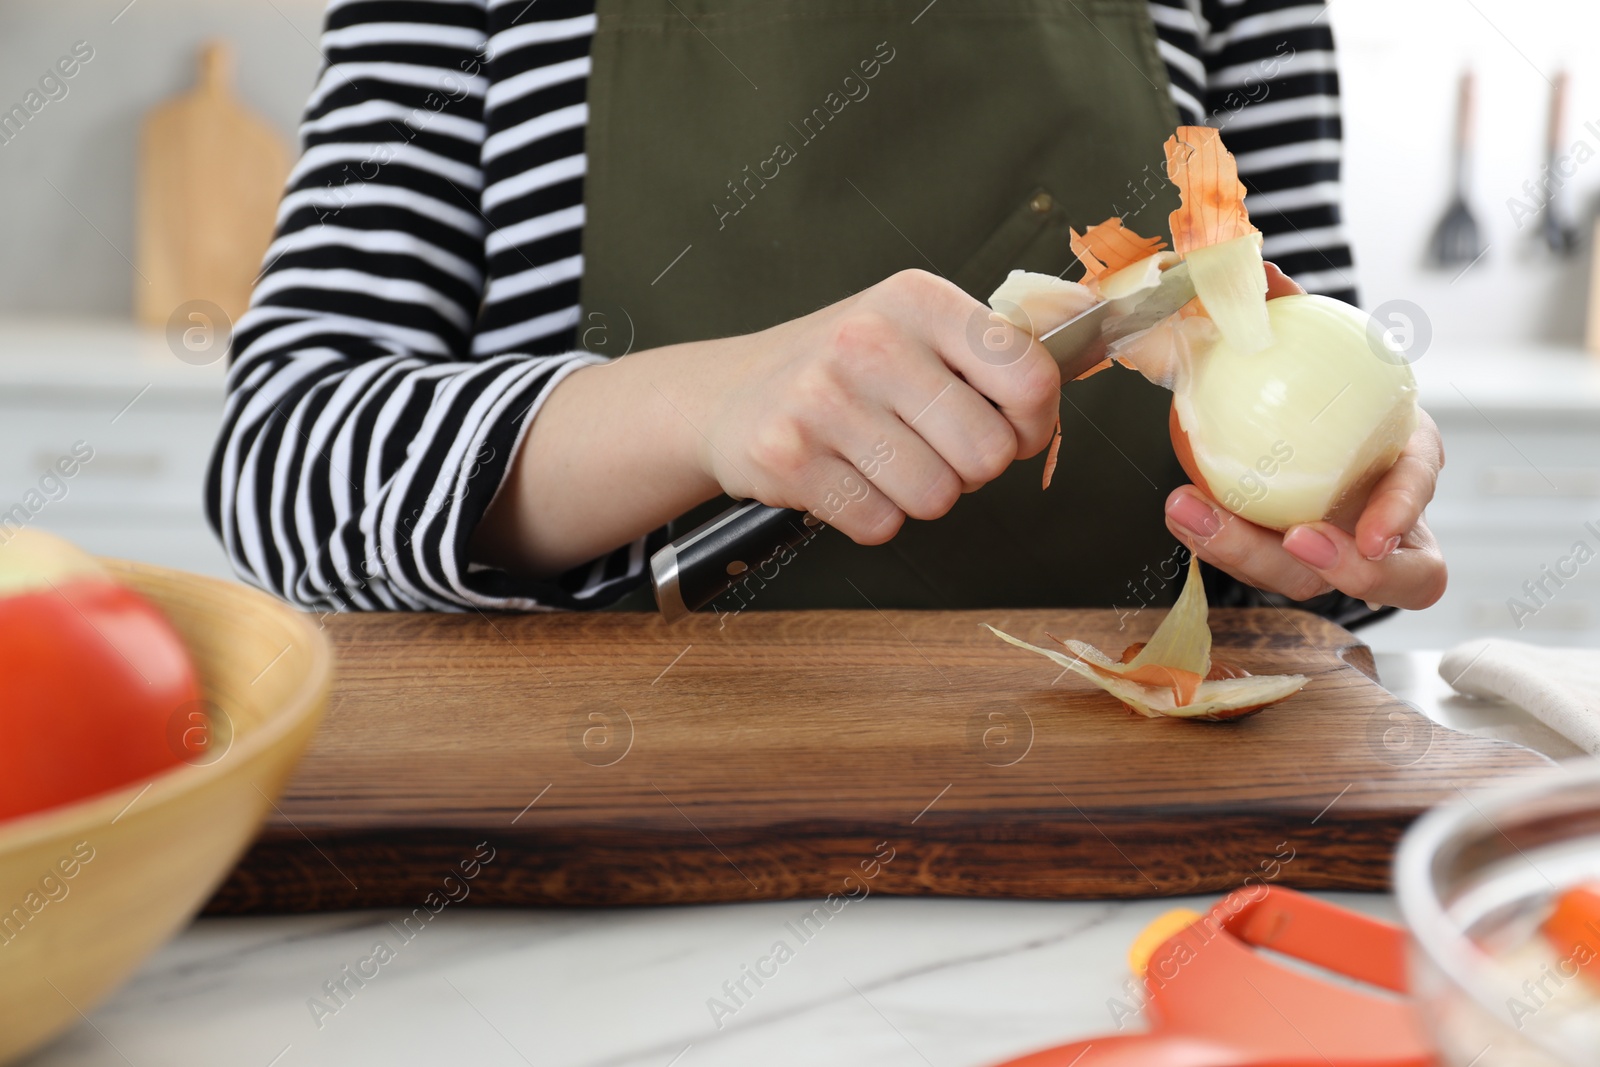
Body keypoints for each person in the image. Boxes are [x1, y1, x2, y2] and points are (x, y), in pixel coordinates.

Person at [206, 0, 1445, 623]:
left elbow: (1289, 335)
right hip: (586, 845)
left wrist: (1353, 497)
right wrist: (702, 408)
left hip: (1142, 816)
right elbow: (281, 464)